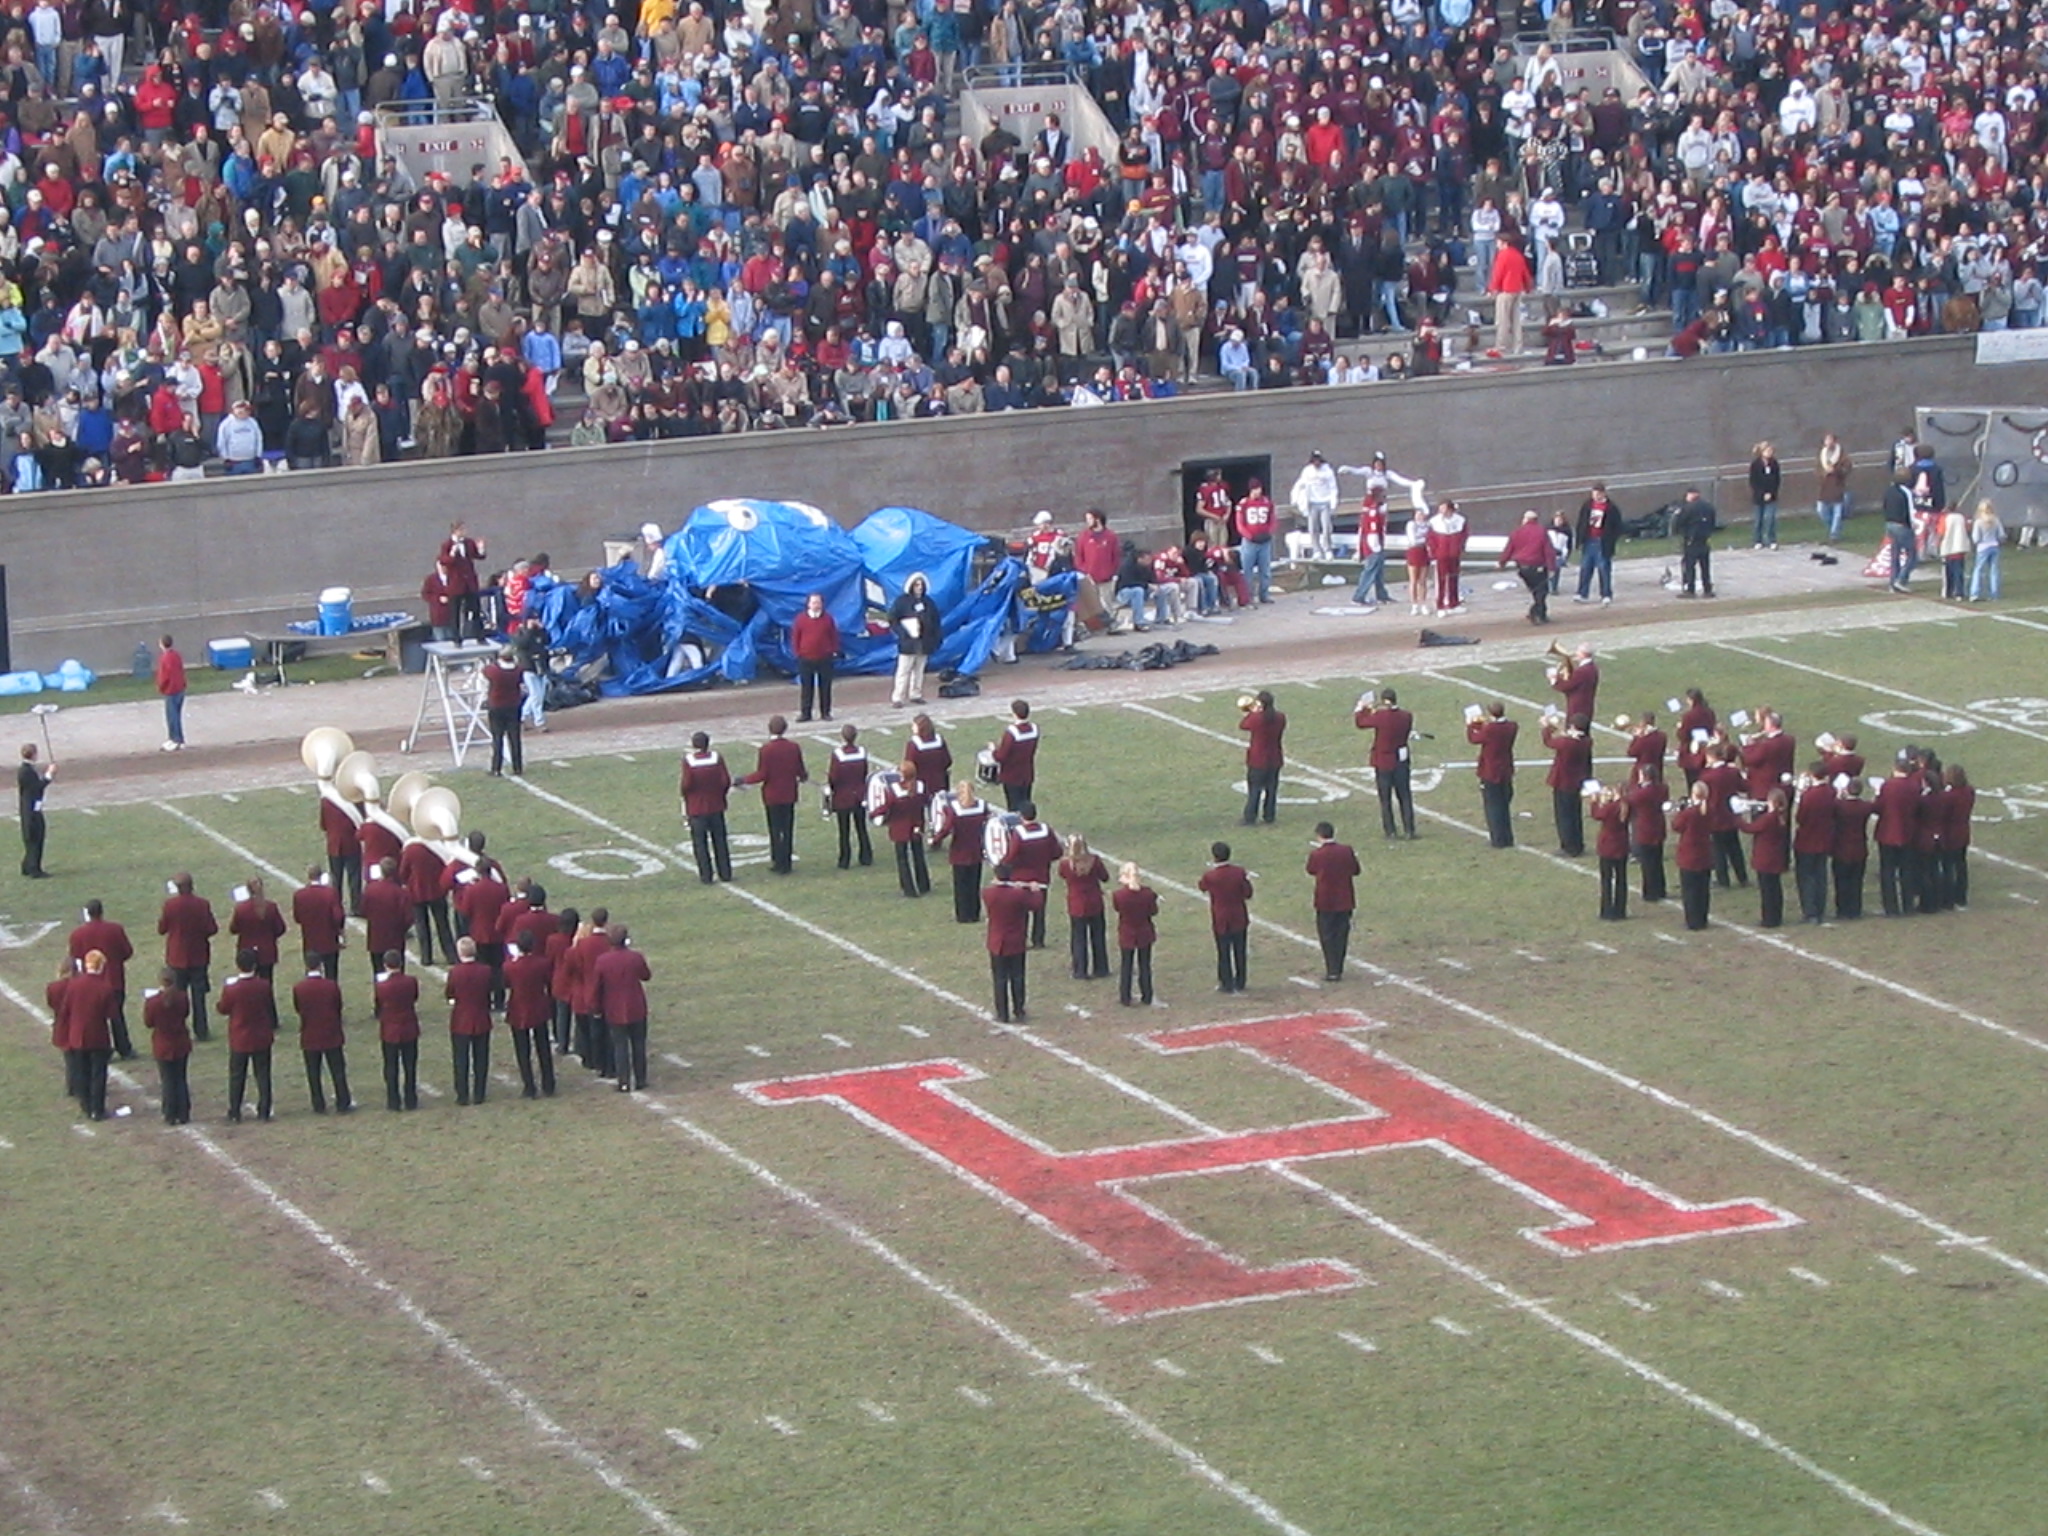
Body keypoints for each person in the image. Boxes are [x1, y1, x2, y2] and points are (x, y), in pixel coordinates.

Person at [68, 900, 136, 1060]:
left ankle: (101, 1050)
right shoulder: (115, 929)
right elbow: (127, 952)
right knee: (117, 1016)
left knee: (95, 1018)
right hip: (114, 980)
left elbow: (75, 956)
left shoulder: (78, 934)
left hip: (90, 983)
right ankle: (124, 1048)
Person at [217, 947, 277, 1123]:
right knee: (263, 1074)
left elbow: (223, 1008)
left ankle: (235, 1111)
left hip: (240, 1037)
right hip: (261, 1035)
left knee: (237, 1075)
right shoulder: (263, 985)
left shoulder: (232, 989)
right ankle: (264, 1110)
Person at [742, 717, 807, 874]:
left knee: (775, 829)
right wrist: (803, 776)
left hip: (772, 795)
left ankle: (778, 861)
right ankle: (787, 861)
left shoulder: (766, 750)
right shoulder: (793, 747)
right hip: (789, 793)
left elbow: (763, 774)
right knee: (788, 828)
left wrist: (744, 779)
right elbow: (800, 770)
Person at [159, 873, 218, 1038]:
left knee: (176, 997)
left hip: (177, 957)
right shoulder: (202, 904)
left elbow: (162, 928)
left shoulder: (170, 905)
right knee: (199, 997)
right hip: (198, 956)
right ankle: (201, 1030)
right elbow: (212, 928)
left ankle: (178, 1028)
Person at [1355, 688, 1419, 840]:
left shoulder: (1381, 716)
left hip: (1383, 761)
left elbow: (1361, 723)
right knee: (1405, 796)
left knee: (1386, 799)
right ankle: (1409, 829)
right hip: (1401, 760)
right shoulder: (1407, 716)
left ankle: (1390, 831)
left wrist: (1361, 709)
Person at [594, 923, 651, 1092]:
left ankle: (624, 1081)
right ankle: (641, 1079)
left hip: (614, 1007)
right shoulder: (635, 957)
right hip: (636, 1006)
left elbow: (597, 986)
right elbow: (646, 975)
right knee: (638, 1044)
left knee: (620, 1046)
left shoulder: (602, 960)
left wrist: (596, 1007)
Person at [982, 864, 1041, 1023]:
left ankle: (1002, 1013)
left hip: (997, 942)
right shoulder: (1018, 894)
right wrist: (1034, 890)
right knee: (1017, 977)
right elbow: (1036, 906)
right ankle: (1019, 1010)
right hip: (1016, 941)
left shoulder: (988, 893)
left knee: (999, 979)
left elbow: (994, 889)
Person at [65, 949, 118, 1121]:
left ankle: (86, 1106)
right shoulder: (105, 987)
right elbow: (112, 1014)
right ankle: (97, 1109)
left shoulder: (74, 984)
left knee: (83, 1072)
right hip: (98, 1035)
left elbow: (66, 1009)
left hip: (78, 1035)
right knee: (98, 1074)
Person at [930, 778, 991, 925]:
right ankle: (974, 913)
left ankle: (963, 915)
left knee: (961, 885)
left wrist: (935, 840)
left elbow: (946, 828)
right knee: (974, 884)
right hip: (976, 849)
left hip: (959, 850)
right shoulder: (982, 806)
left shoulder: (954, 809)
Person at [293, 961, 351, 1113]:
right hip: (330, 1032)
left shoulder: (299, 988)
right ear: (320, 966)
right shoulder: (331, 986)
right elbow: (338, 1006)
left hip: (310, 1033)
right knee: (337, 1070)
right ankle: (343, 1101)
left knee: (313, 1072)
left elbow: (299, 1008)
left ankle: (318, 1104)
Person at [1305, 822, 1360, 982]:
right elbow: (1356, 870)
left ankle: (1332, 969)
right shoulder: (1346, 851)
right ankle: (1338, 967)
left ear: (1319, 835)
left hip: (1325, 899)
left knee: (1327, 935)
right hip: (1345, 898)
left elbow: (1310, 870)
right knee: (1341, 934)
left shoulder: (1317, 854)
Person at [504, 932, 556, 1098]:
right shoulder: (543, 963)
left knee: (522, 1050)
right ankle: (549, 1084)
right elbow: (549, 981)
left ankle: (529, 1086)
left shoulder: (510, 966)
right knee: (543, 1047)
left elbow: (506, 983)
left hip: (518, 1009)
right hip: (539, 1007)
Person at [445, 935, 495, 1105]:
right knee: (481, 1058)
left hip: (461, 1020)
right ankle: (480, 1093)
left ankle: (462, 1094)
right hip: (481, 1017)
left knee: (461, 1059)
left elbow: (450, 994)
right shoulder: (485, 970)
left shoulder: (455, 972)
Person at [679, 732, 735, 883]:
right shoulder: (716, 758)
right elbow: (725, 781)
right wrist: (719, 795)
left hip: (697, 809)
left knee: (700, 843)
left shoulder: (689, 761)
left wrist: (689, 797)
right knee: (720, 841)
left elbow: (686, 785)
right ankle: (725, 873)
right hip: (716, 806)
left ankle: (706, 875)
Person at [1874, 752, 1925, 917]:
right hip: (1909, 832)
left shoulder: (1888, 786)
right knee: (1906, 870)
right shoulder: (1914, 786)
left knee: (1887, 871)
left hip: (1887, 833)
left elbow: (1879, 807)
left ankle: (1891, 907)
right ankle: (1908, 905)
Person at [1199, 841, 1253, 993]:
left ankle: (1226, 982)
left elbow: (1202, 886)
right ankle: (1241, 980)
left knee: (1223, 951)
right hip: (1239, 915)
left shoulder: (1211, 875)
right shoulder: (1239, 872)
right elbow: (1248, 892)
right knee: (1240, 950)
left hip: (1221, 917)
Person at [144, 967, 193, 1125]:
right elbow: (185, 1013)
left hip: (162, 1044)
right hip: (180, 1042)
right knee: (180, 1078)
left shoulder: (153, 1002)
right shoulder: (182, 997)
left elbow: (148, 1023)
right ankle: (183, 1112)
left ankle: (170, 1113)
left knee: (167, 1080)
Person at [374, 950, 421, 1111]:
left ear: (385, 965)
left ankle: (393, 1100)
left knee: (391, 1066)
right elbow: (414, 998)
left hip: (390, 1030)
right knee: (410, 1066)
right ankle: (411, 1099)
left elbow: (379, 1004)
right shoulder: (410, 981)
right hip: (409, 1027)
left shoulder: (381, 986)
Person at [1059, 834, 1110, 980]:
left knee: (1078, 938)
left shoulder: (1066, 864)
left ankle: (1080, 970)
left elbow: (1062, 875)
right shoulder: (1094, 860)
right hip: (1095, 902)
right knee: (1098, 937)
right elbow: (1104, 877)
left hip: (1076, 904)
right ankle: (1101, 968)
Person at [1467, 702, 1518, 848]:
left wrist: (1472, 724)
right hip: (1506, 769)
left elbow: (1474, 739)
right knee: (1504, 805)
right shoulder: (1512, 726)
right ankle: (1508, 837)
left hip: (1491, 771)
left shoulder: (1490, 729)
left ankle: (1498, 839)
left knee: (1493, 806)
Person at [877, 757, 930, 897]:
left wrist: (873, 812)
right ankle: (924, 884)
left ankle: (909, 888)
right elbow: (925, 800)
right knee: (919, 855)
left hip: (900, 828)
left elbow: (886, 807)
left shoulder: (895, 790)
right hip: (917, 825)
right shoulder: (920, 786)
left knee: (902, 859)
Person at [1738, 787, 1791, 929]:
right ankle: (1776, 916)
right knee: (1775, 888)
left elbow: (1750, 828)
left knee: (1767, 890)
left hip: (1765, 858)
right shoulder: (1780, 816)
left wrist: (1738, 818)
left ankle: (1769, 919)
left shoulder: (1769, 818)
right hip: (1775, 858)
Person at [1698, 746, 1749, 889]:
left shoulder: (1707, 776)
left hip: (1715, 816)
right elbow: (1743, 787)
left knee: (1719, 849)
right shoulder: (1733, 772)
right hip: (1731, 814)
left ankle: (1723, 880)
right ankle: (1742, 876)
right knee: (1735, 847)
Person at [888, 572, 942, 706]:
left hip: (923, 642)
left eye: (921, 585)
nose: (919, 587)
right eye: (917, 585)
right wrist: (903, 633)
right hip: (908, 642)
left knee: (919, 670)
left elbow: (935, 621)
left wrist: (935, 638)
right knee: (903, 671)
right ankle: (898, 697)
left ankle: (916, 694)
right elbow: (893, 619)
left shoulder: (928, 602)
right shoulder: (902, 601)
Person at [827, 724, 876, 870]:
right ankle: (866, 856)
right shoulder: (861, 752)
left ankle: (844, 859)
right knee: (861, 827)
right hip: (859, 795)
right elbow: (864, 773)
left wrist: (831, 787)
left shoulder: (838, 754)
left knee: (844, 830)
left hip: (842, 796)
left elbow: (834, 776)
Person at [1542, 713, 1592, 856]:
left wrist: (1547, 727)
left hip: (1563, 782)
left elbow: (1549, 742)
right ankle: (1577, 844)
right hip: (1577, 782)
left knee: (1564, 815)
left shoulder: (1567, 743)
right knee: (1575, 814)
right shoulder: (1586, 741)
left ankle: (1568, 846)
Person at [1112, 862, 1158, 1008]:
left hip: (1127, 932)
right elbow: (1153, 911)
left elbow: (1118, 909)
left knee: (1126, 965)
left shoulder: (1119, 895)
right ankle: (1147, 994)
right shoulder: (1148, 894)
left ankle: (1125, 996)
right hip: (1144, 931)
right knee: (1145, 965)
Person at [1500, 509, 1557, 624]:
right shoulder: (1541, 531)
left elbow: (1509, 549)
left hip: (1522, 567)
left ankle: (1539, 613)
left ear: (1525, 519)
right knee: (1541, 591)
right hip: (1538, 566)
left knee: (1535, 591)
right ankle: (1537, 613)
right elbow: (1548, 551)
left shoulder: (1517, 532)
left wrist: (1501, 563)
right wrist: (1551, 568)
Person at [791, 591, 839, 721]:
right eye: (813, 602)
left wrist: (833, 650)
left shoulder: (828, 619)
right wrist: (798, 652)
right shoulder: (800, 619)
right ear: (808, 604)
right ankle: (806, 713)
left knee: (825, 686)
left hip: (825, 658)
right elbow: (796, 637)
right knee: (806, 687)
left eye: (818, 602)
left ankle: (825, 712)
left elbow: (833, 635)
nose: (816, 605)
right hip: (805, 658)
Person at [1832, 777, 1876, 919]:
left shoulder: (1839, 806)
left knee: (1841, 881)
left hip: (1841, 847)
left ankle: (1842, 909)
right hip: (1859, 847)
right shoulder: (1865, 807)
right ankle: (1855, 909)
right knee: (1856, 881)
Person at [1625, 765, 1669, 904]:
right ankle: (1660, 888)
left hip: (1645, 828)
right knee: (1657, 859)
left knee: (1648, 862)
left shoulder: (1641, 794)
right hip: (1658, 825)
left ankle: (1651, 891)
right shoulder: (1662, 789)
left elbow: (1630, 800)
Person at [1240, 690, 1286, 825]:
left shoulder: (1256, 719)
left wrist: (1253, 712)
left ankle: (1250, 817)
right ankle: (1269, 816)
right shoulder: (1280, 717)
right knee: (1272, 790)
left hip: (1258, 759)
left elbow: (1243, 725)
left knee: (1255, 789)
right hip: (1275, 757)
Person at [1673, 781, 1714, 931]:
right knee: (1703, 889)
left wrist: (1681, 809)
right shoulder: (1709, 809)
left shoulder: (1690, 813)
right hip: (1705, 853)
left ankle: (1693, 921)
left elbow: (1676, 826)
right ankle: (1702, 918)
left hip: (1689, 855)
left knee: (1690, 890)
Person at [439, 520, 487, 640]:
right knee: (455, 612)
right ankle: (456, 637)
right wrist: (452, 553)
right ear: (456, 531)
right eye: (462, 530)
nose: (465, 532)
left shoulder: (469, 542)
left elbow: (478, 556)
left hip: (469, 583)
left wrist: (481, 549)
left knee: (476, 609)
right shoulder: (447, 545)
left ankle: (479, 635)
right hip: (456, 584)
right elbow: (444, 561)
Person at [1574, 483, 1621, 604]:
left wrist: (1611, 540)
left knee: (1603, 568)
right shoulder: (1587, 505)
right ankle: (1582, 593)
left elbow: (1617, 526)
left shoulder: (1610, 508)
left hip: (1602, 541)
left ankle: (1606, 594)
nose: (1595, 495)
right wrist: (1580, 540)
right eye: (1594, 493)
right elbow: (1581, 522)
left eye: (1598, 493)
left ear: (1603, 493)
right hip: (1589, 540)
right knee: (1585, 568)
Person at [1290, 449, 1339, 560]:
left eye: (1318, 461)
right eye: (1314, 461)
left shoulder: (1327, 471)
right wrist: (1295, 498)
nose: (1316, 463)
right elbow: (1300, 485)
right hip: (1312, 503)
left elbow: (1333, 487)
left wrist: (1333, 502)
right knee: (1313, 528)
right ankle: (1316, 550)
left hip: (1325, 502)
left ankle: (1327, 550)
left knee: (1326, 527)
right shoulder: (1307, 471)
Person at [992, 700, 1040, 813]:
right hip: (1027, 773)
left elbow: (1001, 756)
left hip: (1011, 775)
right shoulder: (1034, 729)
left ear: (1014, 714)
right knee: (1026, 803)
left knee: (1013, 807)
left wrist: (993, 750)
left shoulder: (1012, 732)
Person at [484, 646, 525, 776]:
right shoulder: (518, 670)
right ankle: (517, 767)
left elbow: (485, 671)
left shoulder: (494, 671)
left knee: (497, 738)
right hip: (513, 705)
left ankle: (496, 768)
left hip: (497, 706)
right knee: (515, 738)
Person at [1590, 784, 1629, 921]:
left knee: (1606, 880)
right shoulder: (1626, 806)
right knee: (1621, 879)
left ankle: (1607, 910)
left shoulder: (1612, 808)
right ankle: (1620, 910)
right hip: (1622, 844)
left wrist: (1595, 801)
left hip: (1608, 846)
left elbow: (1596, 815)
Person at [1234, 479, 1276, 604]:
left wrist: (1269, 533)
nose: (1258, 491)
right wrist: (1249, 536)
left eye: (1259, 488)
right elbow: (1239, 523)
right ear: (1251, 490)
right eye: (1255, 489)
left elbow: (1273, 519)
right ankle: (1248, 596)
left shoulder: (1268, 502)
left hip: (1264, 541)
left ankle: (1264, 595)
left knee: (1265, 570)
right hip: (1249, 542)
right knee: (1247, 571)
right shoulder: (1243, 504)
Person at [1426, 500, 1471, 615]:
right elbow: (1430, 539)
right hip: (1441, 555)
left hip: (1454, 554)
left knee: (1453, 579)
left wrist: (1460, 548)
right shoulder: (1435, 522)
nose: (1442, 511)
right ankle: (1440, 605)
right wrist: (1434, 553)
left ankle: (1453, 603)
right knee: (1441, 580)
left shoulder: (1460, 520)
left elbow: (1464, 536)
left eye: (1444, 508)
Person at [1942, 764, 1976, 909]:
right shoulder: (1969, 791)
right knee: (1961, 865)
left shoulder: (1950, 796)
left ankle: (1949, 898)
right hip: (1963, 831)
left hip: (1950, 833)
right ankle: (1961, 897)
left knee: (1948, 867)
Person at [1673, 490, 1718, 598]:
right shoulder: (1709, 507)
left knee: (1689, 566)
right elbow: (1713, 522)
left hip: (1691, 540)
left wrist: (1681, 532)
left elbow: (1679, 522)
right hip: (1704, 539)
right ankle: (1707, 589)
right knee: (1705, 566)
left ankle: (1690, 589)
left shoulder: (1688, 508)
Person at [1882, 470, 1918, 593]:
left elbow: (1885, 506)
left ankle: (1892, 583)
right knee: (1912, 556)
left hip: (1890, 523)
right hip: (1902, 525)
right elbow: (1910, 510)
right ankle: (1901, 580)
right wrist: (1913, 524)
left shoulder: (1888, 491)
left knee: (1895, 555)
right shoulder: (1906, 492)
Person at [18, 742, 51, 878]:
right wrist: (49, 775)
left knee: (32, 839)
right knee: (35, 839)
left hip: (30, 809)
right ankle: (34, 869)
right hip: (31, 811)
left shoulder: (26, 769)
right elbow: (37, 787)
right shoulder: (26, 771)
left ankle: (27, 866)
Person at [1815, 434, 1852, 544]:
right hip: (1824, 488)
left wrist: (1836, 470)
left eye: (1830, 440)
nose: (1828, 442)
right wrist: (1823, 473)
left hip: (1837, 487)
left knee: (1838, 513)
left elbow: (1847, 469)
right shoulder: (1822, 455)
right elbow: (1817, 470)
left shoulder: (1842, 455)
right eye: (1826, 440)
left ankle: (1834, 535)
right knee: (1821, 510)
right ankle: (1833, 527)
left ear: (1835, 441)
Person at [155, 633, 187, 751]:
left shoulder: (165, 658)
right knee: (177, 715)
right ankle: (179, 739)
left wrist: (161, 687)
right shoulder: (176, 655)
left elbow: (164, 675)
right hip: (180, 688)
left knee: (171, 716)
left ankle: (175, 739)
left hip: (171, 690)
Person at [1748, 441, 1782, 548]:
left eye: (1771, 451)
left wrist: (1771, 493)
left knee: (1770, 518)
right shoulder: (1755, 464)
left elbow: (1777, 480)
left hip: (1771, 495)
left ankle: (1772, 540)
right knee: (1759, 519)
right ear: (1762, 452)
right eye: (1767, 451)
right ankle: (1758, 540)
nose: (1770, 453)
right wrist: (1762, 493)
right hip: (1759, 497)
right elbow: (1753, 481)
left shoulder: (1774, 463)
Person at [1969, 501, 2005, 602]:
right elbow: (2002, 535)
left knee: (1978, 570)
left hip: (1982, 547)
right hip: (1994, 545)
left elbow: (1976, 538)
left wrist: (1978, 542)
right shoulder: (1996, 520)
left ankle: (1974, 593)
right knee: (1994, 571)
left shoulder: (1979, 522)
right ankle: (1994, 594)